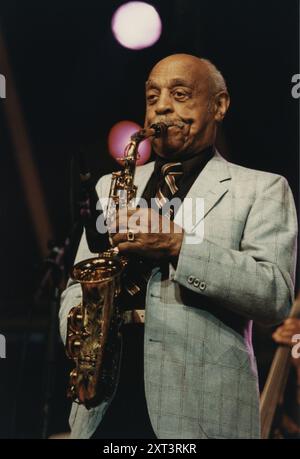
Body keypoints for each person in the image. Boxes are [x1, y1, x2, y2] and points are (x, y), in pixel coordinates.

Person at [59, 54, 298, 439]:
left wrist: (177, 244)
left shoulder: (262, 189)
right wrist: (80, 334)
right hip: (103, 403)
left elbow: (274, 296)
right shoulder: (109, 186)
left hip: (201, 409)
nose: (162, 106)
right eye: (152, 97)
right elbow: (77, 284)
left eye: (180, 94)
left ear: (219, 105)